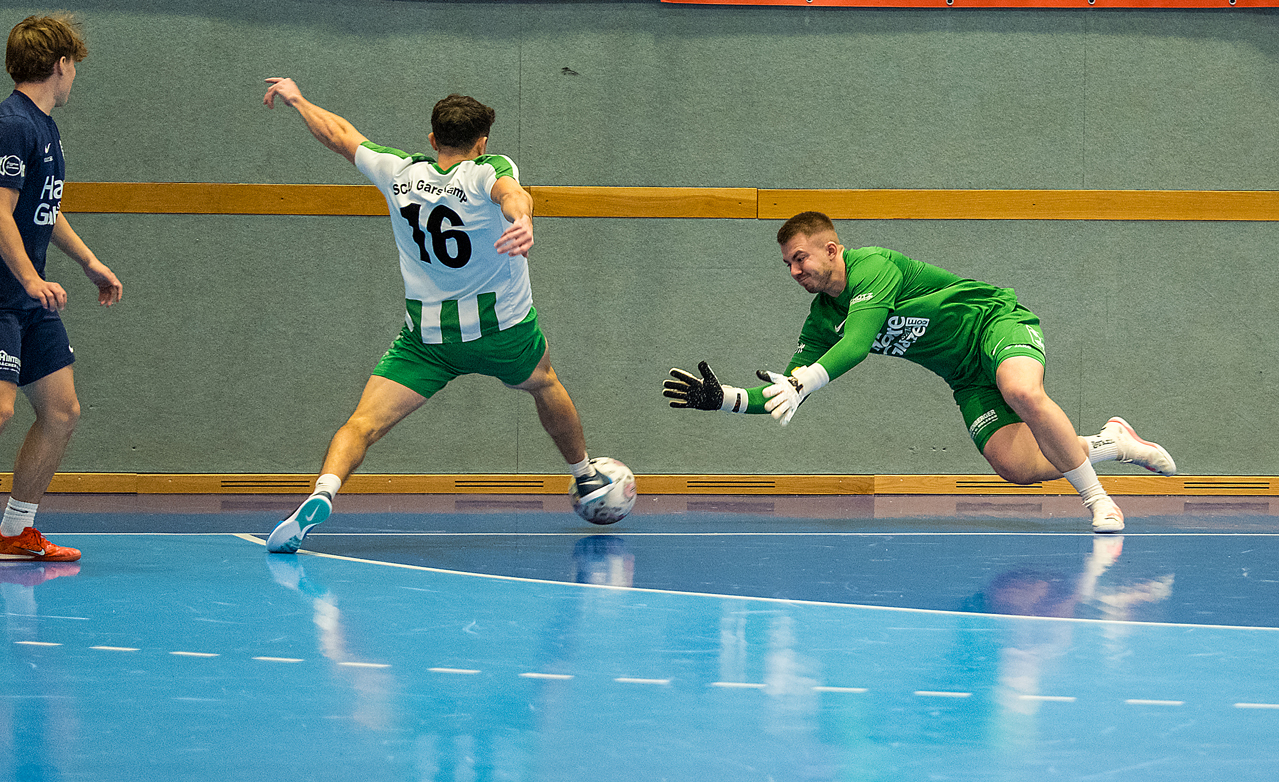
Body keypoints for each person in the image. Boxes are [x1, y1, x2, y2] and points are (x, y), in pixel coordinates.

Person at [261, 78, 613, 552]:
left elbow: (339, 134)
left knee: (362, 423)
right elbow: (511, 192)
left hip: (427, 338)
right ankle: (585, 475)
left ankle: (323, 491)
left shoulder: (398, 172)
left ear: (432, 138)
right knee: (544, 383)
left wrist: (298, 100)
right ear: (482, 142)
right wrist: (523, 218)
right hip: (501, 330)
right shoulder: (488, 169)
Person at [663, 210, 1174, 533]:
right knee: (1017, 468)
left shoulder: (873, 267)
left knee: (1021, 389)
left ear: (832, 250)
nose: (795, 272)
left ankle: (1099, 502)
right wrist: (729, 398)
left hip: (993, 323)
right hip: (963, 374)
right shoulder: (821, 319)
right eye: (788, 265)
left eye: (801, 259)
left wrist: (805, 380)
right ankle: (1113, 442)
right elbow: (786, 388)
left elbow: (856, 345)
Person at [0, 15, 123, 562]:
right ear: (61, 64)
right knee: (1, 409)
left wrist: (89, 262)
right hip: (5, 295)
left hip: (29, 301)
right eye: (75, 66)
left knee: (61, 410)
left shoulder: (44, 128)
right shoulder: (12, 124)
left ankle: (15, 531)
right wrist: (31, 277)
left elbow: (43, 206)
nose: (75, 76)